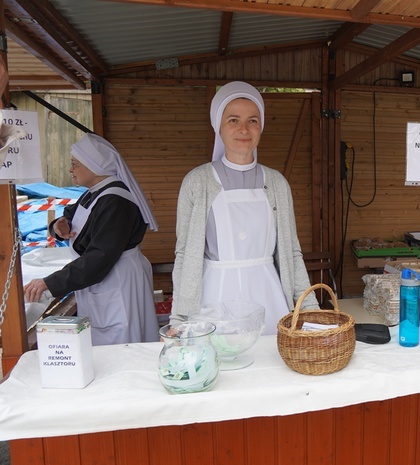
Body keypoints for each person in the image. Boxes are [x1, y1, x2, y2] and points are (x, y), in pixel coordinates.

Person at [171, 81, 317, 335]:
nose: (244, 129)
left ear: (261, 127)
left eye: (252, 120)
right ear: (218, 125)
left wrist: (309, 309)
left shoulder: (277, 184)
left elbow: (292, 252)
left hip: (268, 296)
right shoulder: (197, 182)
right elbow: (185, 254)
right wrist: (179, 318)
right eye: (233, 120)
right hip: (215, 298)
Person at [23, 134, 159, 346]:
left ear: (95, 166)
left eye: (75, 164)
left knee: (122, 342)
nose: (70, 170)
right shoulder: (96, 192)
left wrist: (50, 283)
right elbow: (73, 213)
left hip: (118, 281)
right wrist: (58, 225)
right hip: (103, 280)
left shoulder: (115, 201)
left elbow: (99, 257)